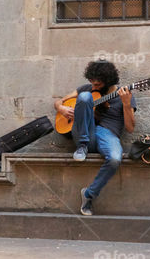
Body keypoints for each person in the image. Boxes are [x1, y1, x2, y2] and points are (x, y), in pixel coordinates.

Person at [54, 60, 135, 216]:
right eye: (91, 83)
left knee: (114, 159)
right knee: (84, 97)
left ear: (108, 81)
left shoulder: (124, 95)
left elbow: (130, 128)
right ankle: (82, 145)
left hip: (107, 134)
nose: (93, 87)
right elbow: (59, 101)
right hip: (85, 133)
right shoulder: (87, 89)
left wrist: (126, 104)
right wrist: (61, 108)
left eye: (97, 85)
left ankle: (89, 194)